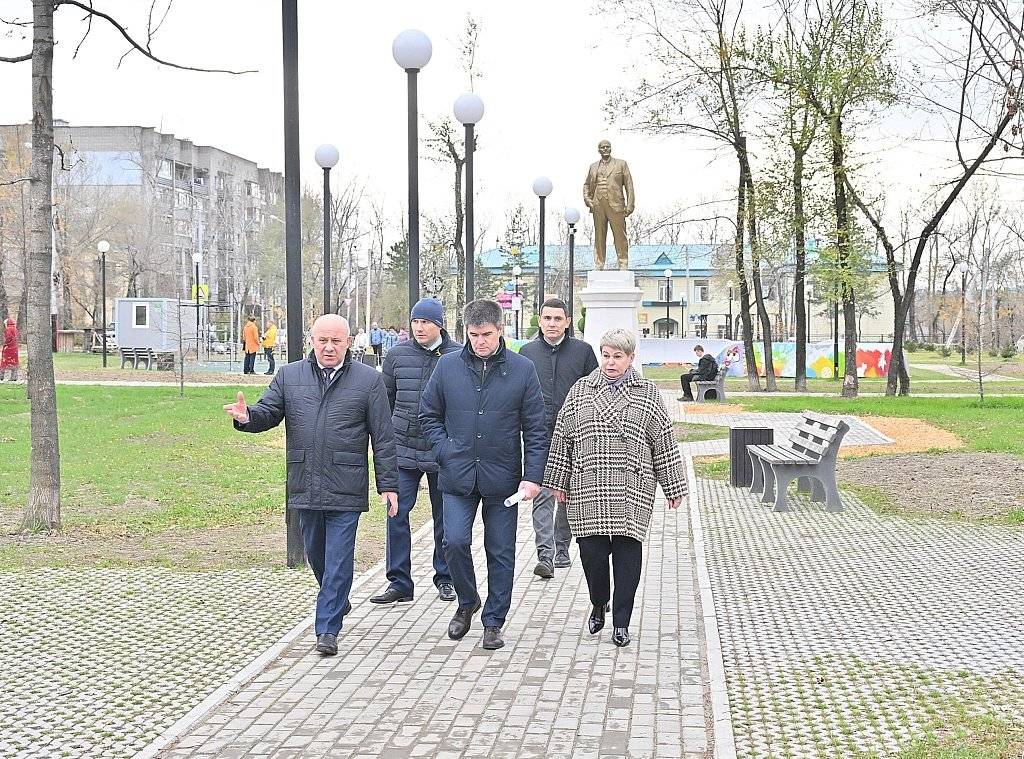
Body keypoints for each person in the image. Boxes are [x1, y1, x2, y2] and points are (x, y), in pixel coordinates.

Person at [223, 314, 399, 657]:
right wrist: (247, 417)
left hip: (346, 484)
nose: (329, 347)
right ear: (312, 341)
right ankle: (336, 600)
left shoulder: (368, 381)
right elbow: (268, 412)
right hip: (305, 481)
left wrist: (388, 484)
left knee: (338, 559)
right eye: (323, 341)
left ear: (349, 342)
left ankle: (327, 629)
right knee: (316, 554)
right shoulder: (290, 376)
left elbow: (383, 435)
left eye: (336, 341)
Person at [544, 328, 686, 647]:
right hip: (587, 482)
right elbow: (562, 437)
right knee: (592, 554)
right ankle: (598, 601)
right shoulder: (581, 389)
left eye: (618, 356)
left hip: (631, 484)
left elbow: (663, 442)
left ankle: (622, 621)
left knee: (626, 554)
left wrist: (673, 486)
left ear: (631, 358)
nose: (610, 362)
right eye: (606, 355)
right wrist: (557, 481)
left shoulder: (647, 392)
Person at [419, 299, 547, 651]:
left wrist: (532, 476)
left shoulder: (522, 370)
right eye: (473, 335)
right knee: (455, 542)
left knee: (500, 551)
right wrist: (444, 449)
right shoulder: (447, 366)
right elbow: (428, 414)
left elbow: (536, 428)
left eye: (487, 335)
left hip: (503, 477)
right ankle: (467, 600)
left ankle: (494, 620)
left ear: (501, 330)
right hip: (457, 475)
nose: (480, 342)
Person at [370, 298, 461, 607]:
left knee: (445, 519)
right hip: (403, 449)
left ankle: (446, 577)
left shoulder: (458, 355)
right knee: (396, 513)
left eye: (426, 322)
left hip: (441, 450)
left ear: (440, 324)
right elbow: (385, 402)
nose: (419, 327)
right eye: (416, 322)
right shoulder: (396, 356)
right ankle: (399, 582)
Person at [520, 298, 598, 579]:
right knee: (541, 492)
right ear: (539, 321)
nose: (552, 323)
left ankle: (562, 545)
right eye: (547, 318)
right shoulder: (527, 352)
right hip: (537, 434)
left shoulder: (583, 352)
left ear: (567, 321)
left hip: (573, 434)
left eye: (557, 318)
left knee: (565, 494)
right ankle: (545, 554)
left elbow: (594, 391)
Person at [582, 140, 635, 271]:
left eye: (608, 147)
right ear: (599, 150)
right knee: (599, 236)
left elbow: (629, 185)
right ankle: (599, 264)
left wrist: (630, 204)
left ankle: (623, 262)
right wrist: (589, 201)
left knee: (620, 236)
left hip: (616, 205)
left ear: (611, 148)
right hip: (598, 205)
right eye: (603, 147)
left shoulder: (621, 164)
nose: (605, 149)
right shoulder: (593, 167)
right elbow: (586, 185)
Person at [1, 316, 18, 382]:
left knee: (4, 362)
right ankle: (14, 376)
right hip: (15, 348)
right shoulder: (15, 329)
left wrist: (5, 344)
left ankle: (1, 376)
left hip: (8, 348)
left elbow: (8, 338)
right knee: (14, 362)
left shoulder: (8, 329)